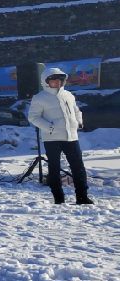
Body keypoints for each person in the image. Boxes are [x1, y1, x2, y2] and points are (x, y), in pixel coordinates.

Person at [28, 67, 93, 205]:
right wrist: (49, 127)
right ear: (46, 82)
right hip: (52, 139)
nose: (57, 83)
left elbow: (76, 110)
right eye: (54, 81)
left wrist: (78, 122)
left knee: (78, 168)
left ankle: (82, 197)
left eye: (60, 81)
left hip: (71, 137)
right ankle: (59, 198)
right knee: (54, 169)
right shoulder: (39, 98)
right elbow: (33, 117)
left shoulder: (68, 95)